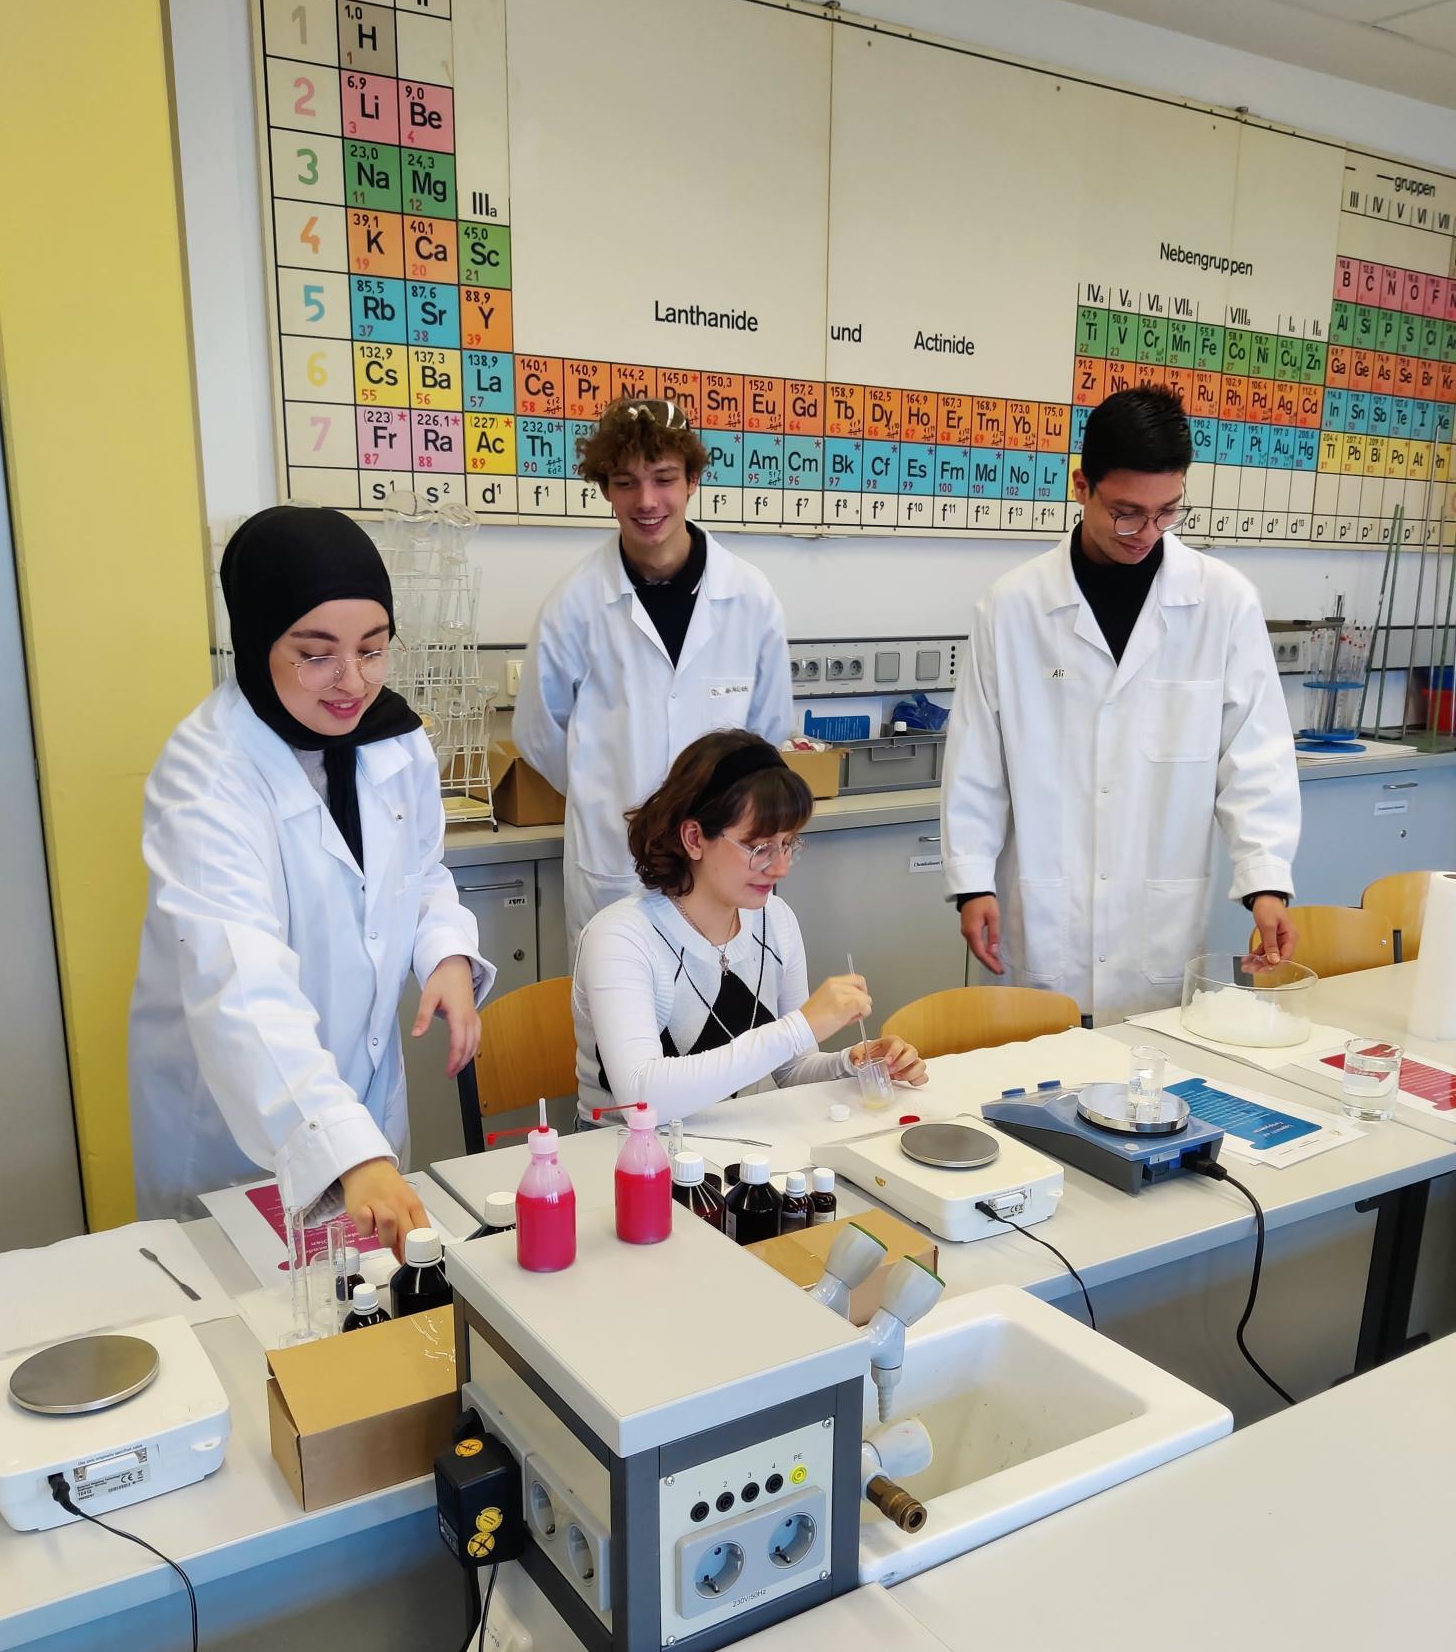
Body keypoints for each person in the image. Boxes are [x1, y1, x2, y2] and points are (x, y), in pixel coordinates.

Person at [129, 505, 495, 1250]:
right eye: (316, 653)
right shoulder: (208, 775)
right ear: (258, 638)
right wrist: (343, 1149)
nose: (352, 682)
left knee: (368, 1302)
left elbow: (422, 871)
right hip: (244, 1127)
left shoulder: (393, 740)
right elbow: (240, 983)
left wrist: (446, 953)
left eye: (373, 649)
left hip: (361, 1112)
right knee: (251, 1307)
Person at [941, 386, 1300, 1023]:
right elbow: (975, 760)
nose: (1146, 533)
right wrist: (972, 883)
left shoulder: (1222, 602)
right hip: (1046, 912)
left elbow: (1256, 756)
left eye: (1167, 513)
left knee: (1154, 1065)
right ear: (1082, 486)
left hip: (1157, 919)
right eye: (1127, 513)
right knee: (1038, 1063)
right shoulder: (1012, 606)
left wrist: (1265, 880)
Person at [514, 399, 794, 949]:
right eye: (626, 483)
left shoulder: (749, 597)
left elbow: (767, 732)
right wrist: (604, 794)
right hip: (615, 864)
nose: (646, 501)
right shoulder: (575, 604)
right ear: (606, 489)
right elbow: (539, 733)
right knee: (618, 998)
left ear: (692, 481)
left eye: (664, 479)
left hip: (725, 862)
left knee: (730, 999)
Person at [574, 731, 925, 1122]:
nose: (781, 867)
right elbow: (643, 1099)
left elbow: (791, 1069)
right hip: (628, 1151)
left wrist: (854, 1064)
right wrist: (800, 1026)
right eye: (760, 847)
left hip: (739, 1144)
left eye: (788, 844)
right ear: (694, 838)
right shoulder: (621, 937)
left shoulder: (775, 919)